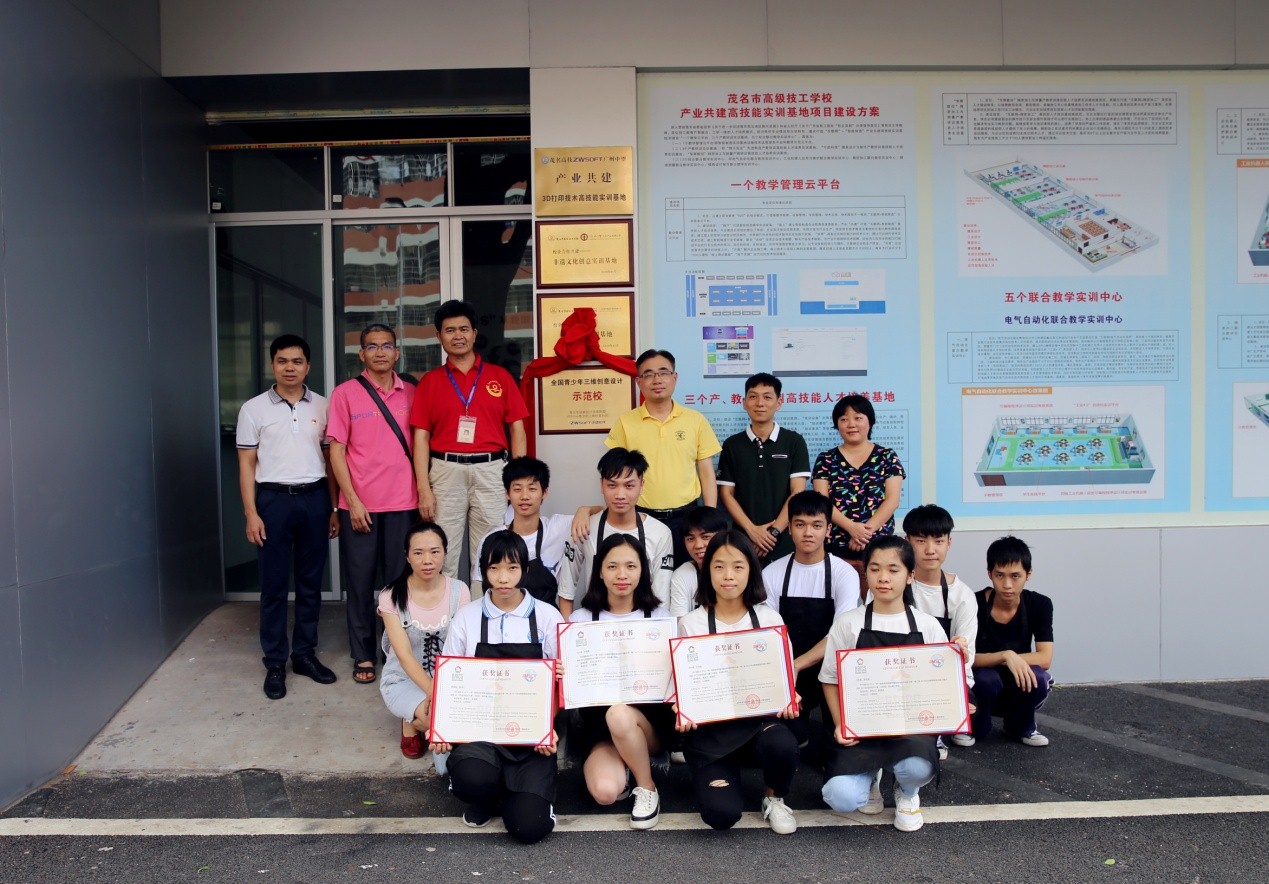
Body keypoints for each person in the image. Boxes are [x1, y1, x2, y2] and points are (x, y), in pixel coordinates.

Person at [819, 536, 972, 832]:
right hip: (862, 730)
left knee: (918, 767)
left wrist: (958, 661)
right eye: (874, 569)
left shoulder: (927, 626)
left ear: (910, 576)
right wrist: (841, 724)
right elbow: (829, 679)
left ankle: (907, 792)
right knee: (839, 797)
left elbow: (943, 683)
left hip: (910, 729)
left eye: (893, 569)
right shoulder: (848, 624)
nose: (883, 578)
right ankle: (870, 781)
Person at [431, 531, 565, 843]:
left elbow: (559, 685)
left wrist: (549, 729)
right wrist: (442, 728)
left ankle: (520, 798)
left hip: (531, 738)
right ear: (483, 571)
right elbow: (452, 679)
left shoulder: (546, 617)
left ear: (526, 570)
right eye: (494, 569)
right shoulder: (467, 617)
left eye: (512, 568)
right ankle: (486, 797)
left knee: (528, 829)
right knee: (470, 778)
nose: (503, 578)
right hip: (481, 733)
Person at [236, 334, 341, 700]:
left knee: (311, 584)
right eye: (282, 361)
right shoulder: (253, 409)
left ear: (308, 366)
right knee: (275, 586)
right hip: (273, 501)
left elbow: (332, 463)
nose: (290, 367)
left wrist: (332, 507)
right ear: (272, 365)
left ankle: (304, 655)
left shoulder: (325, 406)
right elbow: (246, 465)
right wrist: (252, 513)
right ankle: (276, 662)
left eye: (297, 361)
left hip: (314, 498)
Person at [677, 530, 801, 835]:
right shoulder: (690, 624)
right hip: (711, 738)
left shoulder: (770, 620)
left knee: (782, 743)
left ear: (751, 571)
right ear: (707, 572)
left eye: (738, 566)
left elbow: (784, 678)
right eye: (718, 566)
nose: (728, 575)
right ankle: (719, 777)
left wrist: (789, 697)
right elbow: (682, 685)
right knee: (721, 816)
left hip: (758, 726)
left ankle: (774, 797)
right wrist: (682, 709)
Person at [410, 300, 528, 579]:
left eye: (464, 329)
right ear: (439, 337)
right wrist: (424, 489)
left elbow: (518, 431)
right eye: (449, 330)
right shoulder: (430, 382)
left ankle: (483, 617)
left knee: (490, 549)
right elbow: (420, 439)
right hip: (445, 470)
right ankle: (447, 618)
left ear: (475, 333)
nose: (457, 336)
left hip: (491, 471)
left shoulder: (500, 377)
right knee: (442, 549)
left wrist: (517, 480)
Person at [328, 323, 418, 685]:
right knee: (361, 582)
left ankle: (397, 650)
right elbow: (336, 450)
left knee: (399, 583)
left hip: (403, 502)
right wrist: (351, 499)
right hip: (359, 505)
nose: (380, 352)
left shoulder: (411, 392)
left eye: (387, 346)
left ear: (397, 353)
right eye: (372, 346)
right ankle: (363, 652)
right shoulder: (345, 394)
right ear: (361, 354)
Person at [567, 534, 675, 829]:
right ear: (599, 571)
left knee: (619, 713)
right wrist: (565, 674)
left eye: (631, 565)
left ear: (643, 571)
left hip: (647, 725)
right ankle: (624, 766)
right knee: (605, 793)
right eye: (612, 566)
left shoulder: (660, 619)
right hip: (599, 728)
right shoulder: (580, 621)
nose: (622, 575)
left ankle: (647, 787)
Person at [760, 490, 861, 744]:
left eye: (817, 525)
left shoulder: (843, 573)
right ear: (789, 528)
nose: (808, 533)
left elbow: (842, 633)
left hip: (832, 668)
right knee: (790, 740)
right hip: (788, 666)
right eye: (800, 524)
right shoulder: (772, 573)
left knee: (837, 747)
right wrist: (789, 668)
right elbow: (770, 635)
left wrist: (799, 663)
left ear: (828, 529)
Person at [603, 349, 721, 566]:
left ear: (674, 378)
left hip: (687, 518)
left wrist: (709, 516)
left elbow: (706, 471)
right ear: (639, 382)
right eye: (648, 374)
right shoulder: (626, 423)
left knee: (689, 576)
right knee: (644, 579)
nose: (656, 380)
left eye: (663, 372)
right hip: (641, 517)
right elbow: (614, 473)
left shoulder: (695, 420)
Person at [377, 522, 468, 769]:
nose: (427, 560)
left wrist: (448, 690)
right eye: (418, 553)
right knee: (439, 719)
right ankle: (415, 721)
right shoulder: (390, 596)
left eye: (434, 551)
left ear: (445, 553)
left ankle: (414, 722)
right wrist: (436, 694)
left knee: (462, 723)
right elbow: (404, 656)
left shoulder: (459, 591)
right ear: (407, 556)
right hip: (403, 679)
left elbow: (462, 648)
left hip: (448, 679)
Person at [557, 448, 674, 617]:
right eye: (612, 485)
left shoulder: (660, 533)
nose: (620, 495)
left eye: (629, 486)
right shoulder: (583, 526)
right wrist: (568, 632)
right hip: (594, 623)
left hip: (643, 627)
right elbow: (566, 588)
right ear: (601, 485)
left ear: (642, 485)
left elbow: (661, 597)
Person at [902, 504, 979, 754]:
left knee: (971, 705)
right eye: (921, 540)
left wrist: (960, 691)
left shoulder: (962, 595)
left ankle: (938, 730)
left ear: (949, 543)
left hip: (941, 675)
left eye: (938, 540)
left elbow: (966, 657)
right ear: (907, 542)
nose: (930, 550)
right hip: (898, 672)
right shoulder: (892, 583)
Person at [970, 535, 1054, 748]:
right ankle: (975, 726)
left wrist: (1013, 660)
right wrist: (1006, 656)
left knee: (1038, 676)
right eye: (1000, 575)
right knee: (986, 679)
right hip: (983, 680)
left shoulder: (1040, 604)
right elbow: (966, 658)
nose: (1007, 584)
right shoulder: (973, 603)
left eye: (1015, 576)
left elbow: (1045, 657)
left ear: (1028, 575)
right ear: (990, 574)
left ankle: (1021, 727)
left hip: (1018, 678)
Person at [718, 372, 810, 562]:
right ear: (744, 402)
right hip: (744, 539)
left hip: (785, 539)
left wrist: (772, 532)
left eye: (767, 397)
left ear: (779, 402)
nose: (760, 403)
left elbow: (797, 493)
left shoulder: (794, 441)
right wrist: (753, 531)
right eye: (753, 396)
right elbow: (726, 494)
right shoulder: (732, 445)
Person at [812, 394, 905, 582]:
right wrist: (852, 528)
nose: (851, 424)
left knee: (878, 605)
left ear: (870, 422)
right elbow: (823, 503)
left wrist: (863, 533)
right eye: (844, 419)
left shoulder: (887, 456)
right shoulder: (826, 459)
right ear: (837, 424)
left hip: (879, 550)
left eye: (858, 418)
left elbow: (892, 500)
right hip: (836, 549)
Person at [472, 457, 571, 604]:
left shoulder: (559, 527)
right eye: (517, 489)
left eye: (532, 489)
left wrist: (584, 511)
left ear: (544, 492)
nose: (524, 496)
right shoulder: (491, 540)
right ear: (507, 494)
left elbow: (605, 514)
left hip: (544, 621)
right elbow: (478, 588)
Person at [667, 505, 729, 617]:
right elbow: (680, 622)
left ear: (723, 536)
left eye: (705, 537)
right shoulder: (683, 574)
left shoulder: (740, 568)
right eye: (690, 539)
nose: (698, 545)